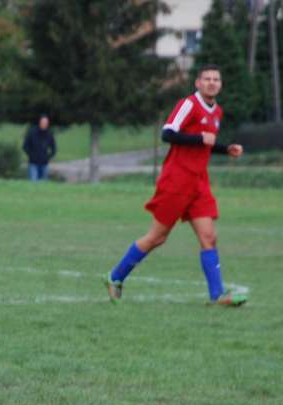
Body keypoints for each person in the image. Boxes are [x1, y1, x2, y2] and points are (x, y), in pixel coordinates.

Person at [105, 64, 247, 307]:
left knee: (209, 237)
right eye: (207, 79)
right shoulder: (189, 104)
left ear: (220, 84)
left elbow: (205, 143)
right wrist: (200, 138)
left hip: (199, 182)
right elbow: (168, 133)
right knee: (157, 237)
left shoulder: (217, 112)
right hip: (177, 180)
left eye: (216, 79)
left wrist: (225, 149)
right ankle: (115, 277)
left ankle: (218, 295)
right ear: (198, 83)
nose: (212, 83)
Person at [22, 114, 56, 181]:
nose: (44, 124)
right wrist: (31, 155)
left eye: (46, 122)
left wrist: (48, 157)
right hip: (33, 163)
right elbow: (25, 146)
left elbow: (54, 148)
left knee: (43, 184)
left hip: (44, 164)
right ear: (39, 122)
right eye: (43, 122)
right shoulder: (32, 132)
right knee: (33, 183)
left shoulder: (49, 134)